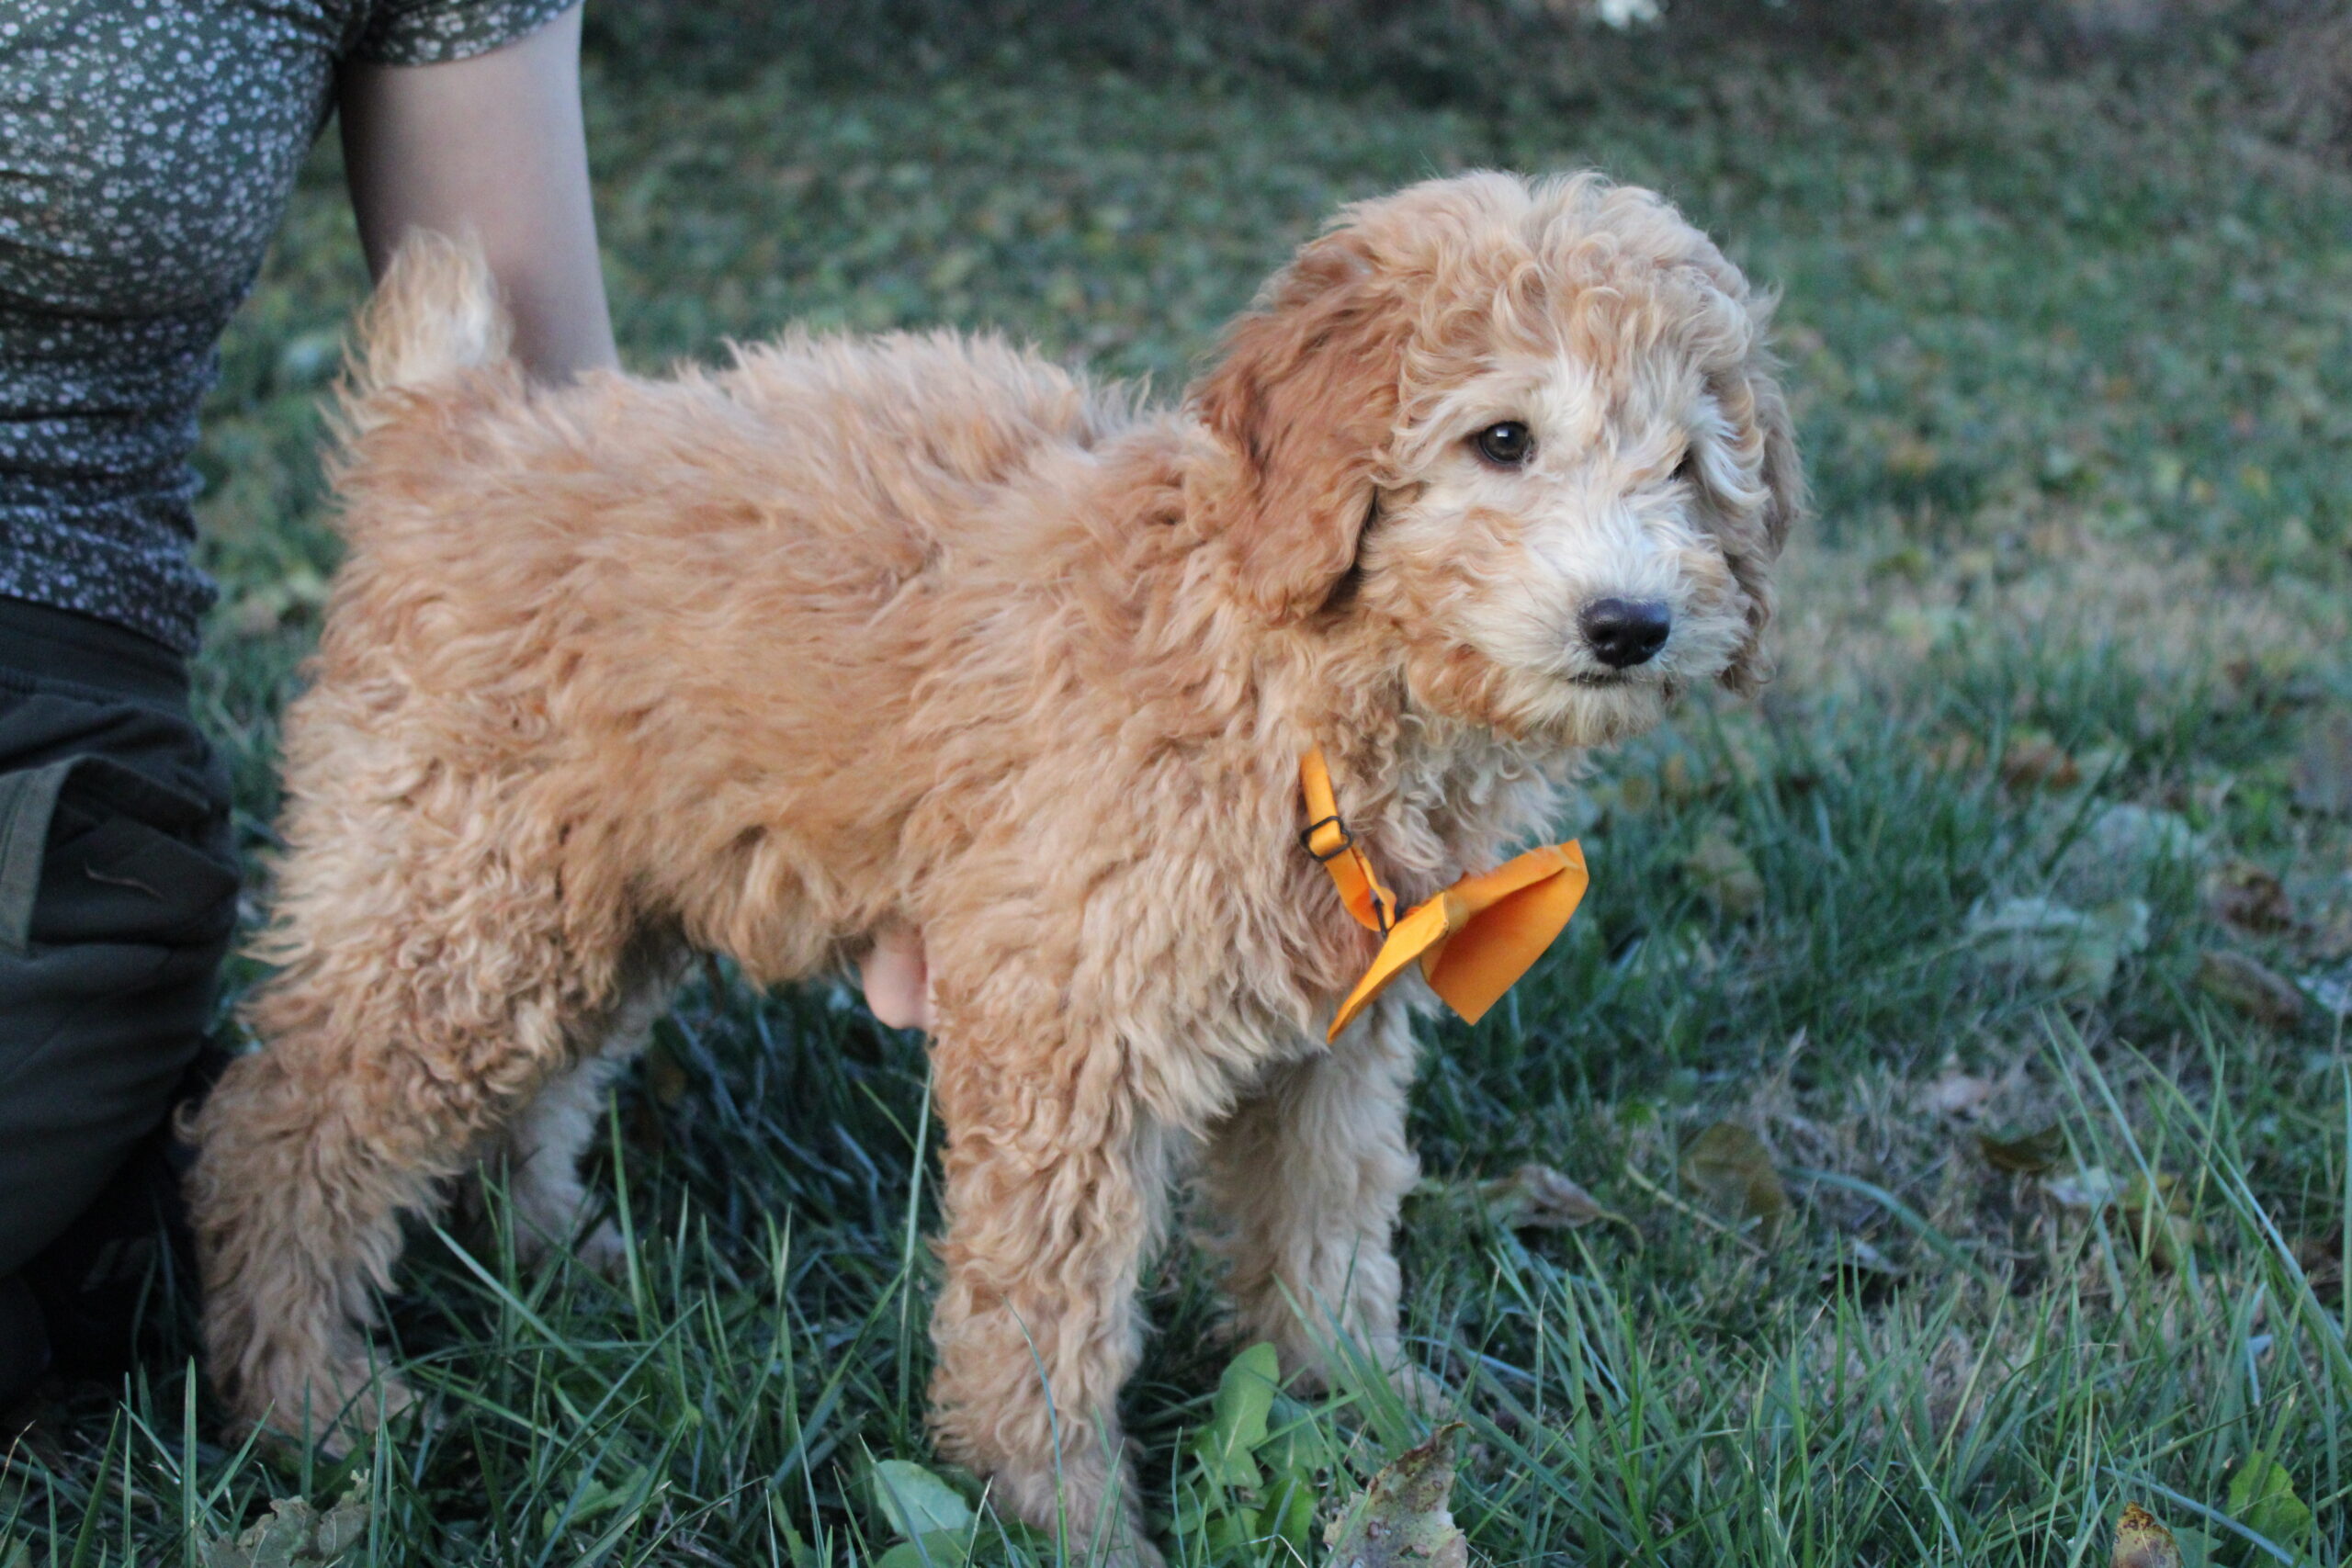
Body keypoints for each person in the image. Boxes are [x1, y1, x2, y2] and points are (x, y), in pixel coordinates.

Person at [0, 0, 926, 1413]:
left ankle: (481, 1171)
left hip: (44, 644)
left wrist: (844, 734)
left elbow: (545, 459)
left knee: (528, 851)